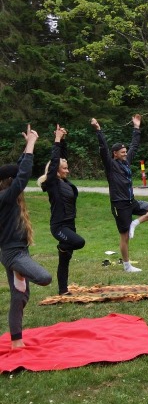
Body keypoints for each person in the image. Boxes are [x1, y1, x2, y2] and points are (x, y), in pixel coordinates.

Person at [1, 125, 52, 348]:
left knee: (19, 297)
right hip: (14, 255)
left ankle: (16, 341)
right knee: (44, 277)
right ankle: (20, 270)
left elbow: (19, 170)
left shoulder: (7, 195)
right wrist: (31, 144)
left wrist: (27, 146)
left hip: (16, 251)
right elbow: (22, 175)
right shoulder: (4, 197)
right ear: (9, 182)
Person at [91, 114, 148, 273]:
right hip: (120, 205)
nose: (125, 153)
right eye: (122, 152)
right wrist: (98, 130)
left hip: (131, 202)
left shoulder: (126, 162)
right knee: (125, 236)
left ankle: (134, 223)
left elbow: (134, 146)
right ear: (115, 153)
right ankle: (127, 266)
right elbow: (103, 149)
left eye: (125, 151)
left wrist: (136, 127)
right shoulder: (110, 165)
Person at [37, 124, 85, 294]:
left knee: (65, 260)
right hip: (59, 226)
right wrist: (56, 140)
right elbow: (55, 160)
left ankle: (63, 290)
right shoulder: (53, 183)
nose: (68, 170)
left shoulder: (64, 182)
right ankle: (62, 247)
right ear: (56, 171)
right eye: (64, 168)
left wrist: (63, 140)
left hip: (70, 224)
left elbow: (62, 158)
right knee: (79, 242)